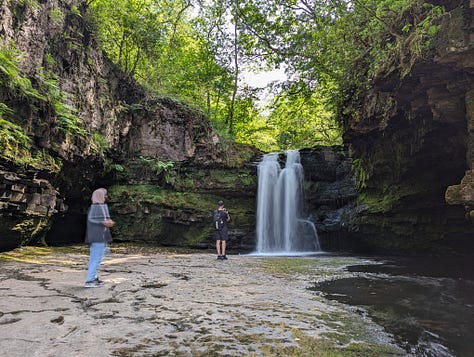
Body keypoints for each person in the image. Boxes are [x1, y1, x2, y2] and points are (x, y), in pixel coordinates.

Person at [84, 188, 115, 288]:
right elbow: (94, 221)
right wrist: (105, 223)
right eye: (103, 195)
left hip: (98, 237)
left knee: (98, 257)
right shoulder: (96, 207)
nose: (105, 197)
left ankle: (93, 277)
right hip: (97, 237)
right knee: (95, 258)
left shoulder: (97, 207)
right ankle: (90, 280)